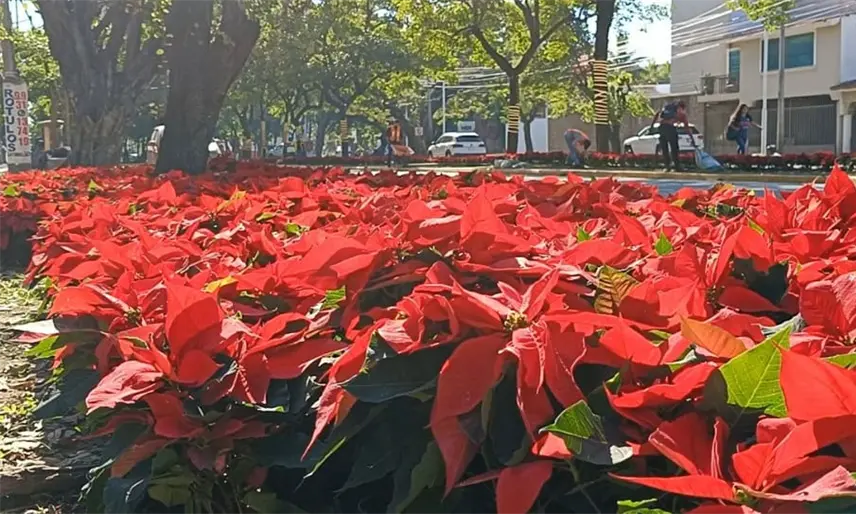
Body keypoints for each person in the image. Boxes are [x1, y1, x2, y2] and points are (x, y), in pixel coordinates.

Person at [651, 100, 695, 172]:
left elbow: (657, 113)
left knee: (664, 148)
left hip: (662, 128)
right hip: (670, 129)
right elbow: (686, 127)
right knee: (674, 148)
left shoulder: (667, 109)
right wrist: (691, 138)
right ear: (682, 107)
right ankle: (677, 167)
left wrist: (652, 126)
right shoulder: (681, 114)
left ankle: (667, 166)